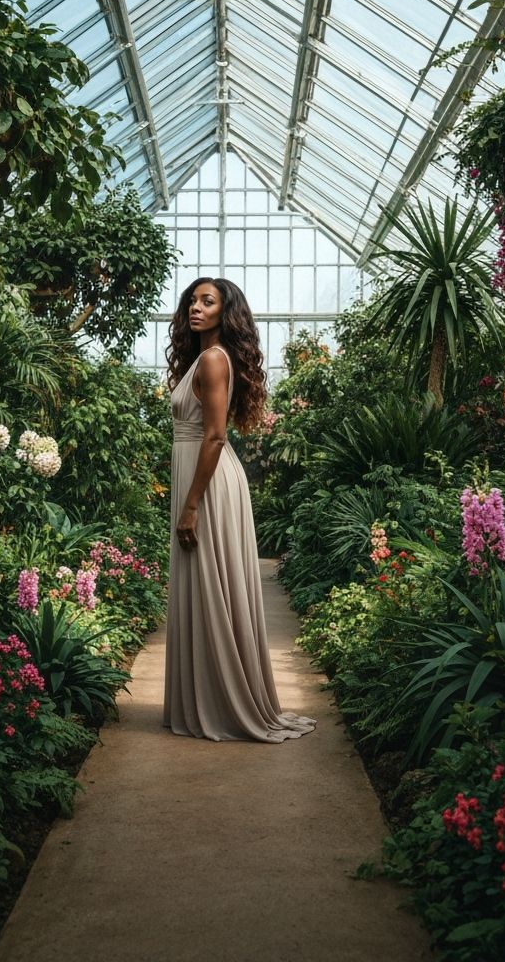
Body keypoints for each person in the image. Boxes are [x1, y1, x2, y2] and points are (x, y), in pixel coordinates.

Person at [162, 276, 316, 742]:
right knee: (205, 585)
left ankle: (224, 702)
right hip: (201, 478)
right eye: (192, 299)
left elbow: (214, 435)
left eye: (207, 301)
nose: (195, 307)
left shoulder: (212, 359)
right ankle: (208, 697)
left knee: (211, 583)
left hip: (207, 485)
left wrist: (191, 505)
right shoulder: (203, 359)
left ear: (225, 313)